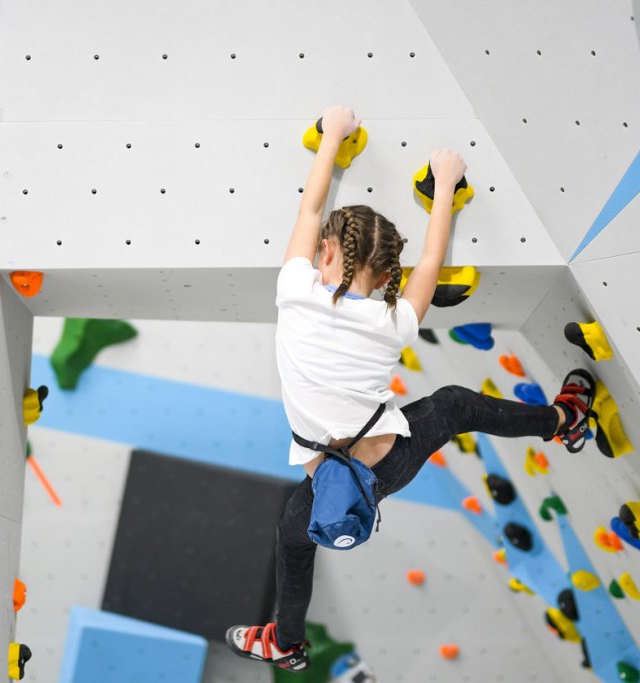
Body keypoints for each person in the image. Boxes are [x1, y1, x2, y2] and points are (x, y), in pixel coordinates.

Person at [225, 106, 594, 672]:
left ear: (326, 253)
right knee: (455, 405)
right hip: (387, 461)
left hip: (340, 486)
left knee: (294, 540)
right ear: (385, 275)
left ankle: (288, 642)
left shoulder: (295, 290)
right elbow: (431, 259)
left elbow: (309, 209)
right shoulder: (390, 320)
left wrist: (332, 135)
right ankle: (565, 420)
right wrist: (444, 185)